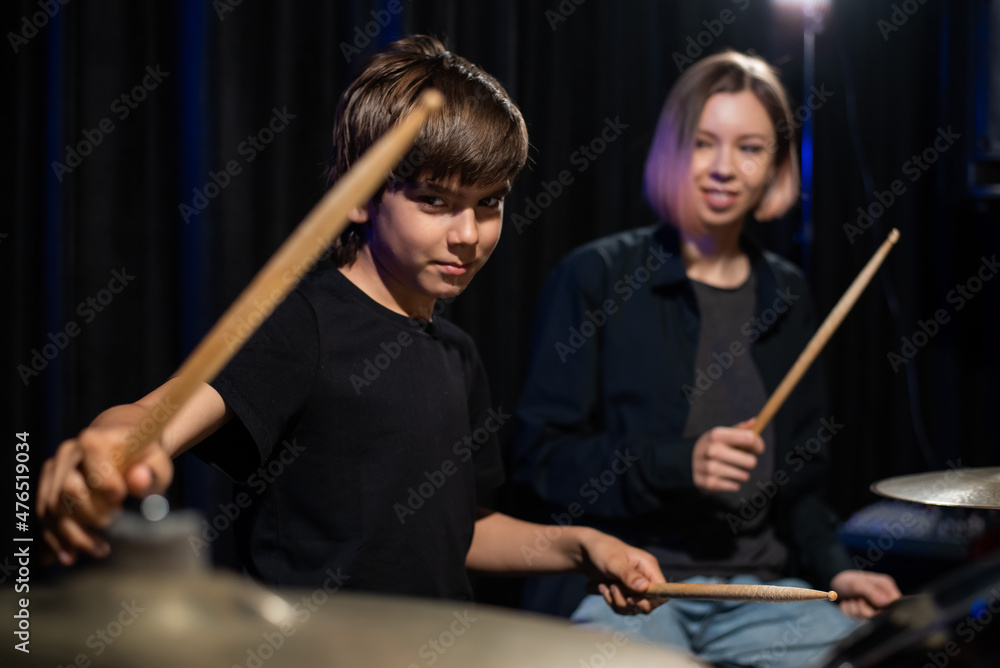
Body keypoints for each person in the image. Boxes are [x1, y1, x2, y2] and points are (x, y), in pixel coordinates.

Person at [36, 35, 665, 614]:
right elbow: (153, 418)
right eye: (435, 201)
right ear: (360, 196)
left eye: (489, 204)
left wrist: (581, 545)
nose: (468, 235)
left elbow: (463, 531)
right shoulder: (303, 324)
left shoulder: (457, 353)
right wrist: (104, 450)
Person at [513, 50, 901, 666]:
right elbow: (540, 466)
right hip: (625, 590)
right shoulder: (593, 276)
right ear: (672, 149)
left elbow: (802, 487)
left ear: (775, 163)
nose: (724, 168)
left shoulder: (787, 292)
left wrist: (838, 570)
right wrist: (677, 465)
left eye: (750, 148)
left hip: (761, 592)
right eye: (703, 143)